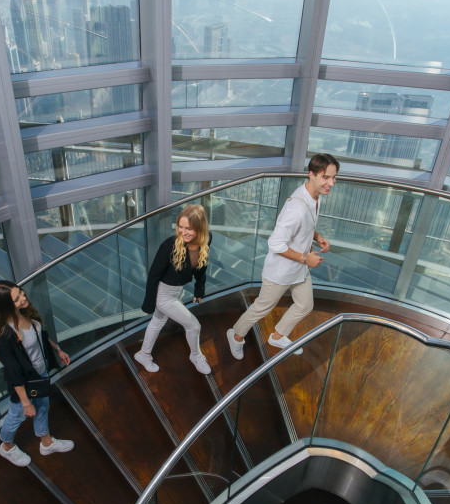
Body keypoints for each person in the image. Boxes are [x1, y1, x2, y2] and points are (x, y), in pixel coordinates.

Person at [227, 153, 338, 359]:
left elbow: (306, 225)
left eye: (333, 177)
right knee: (262, 308)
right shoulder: (296, 208)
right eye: (326, 177)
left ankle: (277, 336)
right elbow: (275, 243)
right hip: (281, 271)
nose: (331, 183)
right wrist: (306, 259)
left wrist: (317, 236)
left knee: (305, 305)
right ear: (311, 174)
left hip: (299, 268)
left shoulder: (314, 197)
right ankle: (235, 336)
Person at [0, 280, 74, 467]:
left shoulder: (25, 313)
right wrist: (26, 403)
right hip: (24, 385)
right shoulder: (5, 335)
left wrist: (57, 350)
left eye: (21, 294)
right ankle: (7, 447)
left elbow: (40, 334)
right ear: (5, 306)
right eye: (17, 299)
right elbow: (13, 374)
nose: (23, 298)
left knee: (43, 407)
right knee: (17, 415)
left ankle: (46, 442)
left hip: (40, 376)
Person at [134, 204, 213, 375]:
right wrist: (149, 303)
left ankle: (143, 354)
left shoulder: (206, 239)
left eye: (189, 228)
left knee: (158, 322)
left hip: (178, 290)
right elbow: (153, 275)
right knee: (194, 326)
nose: (183, 232)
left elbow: (202, 267)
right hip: (163, 295)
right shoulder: (169, 245)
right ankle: (196, 355)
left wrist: (199, 289)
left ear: (200, 228)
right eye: (180, 227)